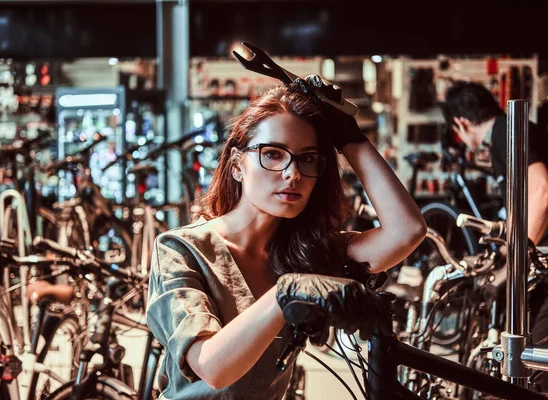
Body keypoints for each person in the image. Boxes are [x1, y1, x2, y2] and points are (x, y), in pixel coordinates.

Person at [146, 77, 427, 399]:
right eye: (273, 154)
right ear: (237, 166)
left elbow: (406, 232)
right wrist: (285, 292)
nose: (292, 173)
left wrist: (350, 138)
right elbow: (212, 367)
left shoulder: (308, 253)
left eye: (307, 158)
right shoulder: (182, 250)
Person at [443, 80, 548, 388]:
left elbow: (541, 190)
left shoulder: (505, 132)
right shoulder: (506, 132)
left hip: (543, 261)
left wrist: (518, 256)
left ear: (460, 123)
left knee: (537, 366)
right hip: (541, 260)